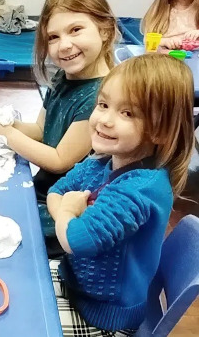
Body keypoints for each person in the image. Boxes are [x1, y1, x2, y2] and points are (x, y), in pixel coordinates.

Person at [47, 54, 195, 334]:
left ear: (161, 132)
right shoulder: (102, 161)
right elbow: (57, 192)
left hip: (104, 318)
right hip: (76, 285)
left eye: (127, 113)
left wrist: (67, 213)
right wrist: (69, 215)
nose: (104, 120)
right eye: (103, 105)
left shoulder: (138, 190)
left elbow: (76, 240)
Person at [0, 0, 118, 254]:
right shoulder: (64, 78)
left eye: (75, 30)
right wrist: (6, 124)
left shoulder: (100, 98)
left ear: (104, 29)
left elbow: (59, 160)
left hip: (64, 212)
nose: (64, 45)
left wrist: (8, 135)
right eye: (53, 37)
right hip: (43, 193)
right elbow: (43, 129)